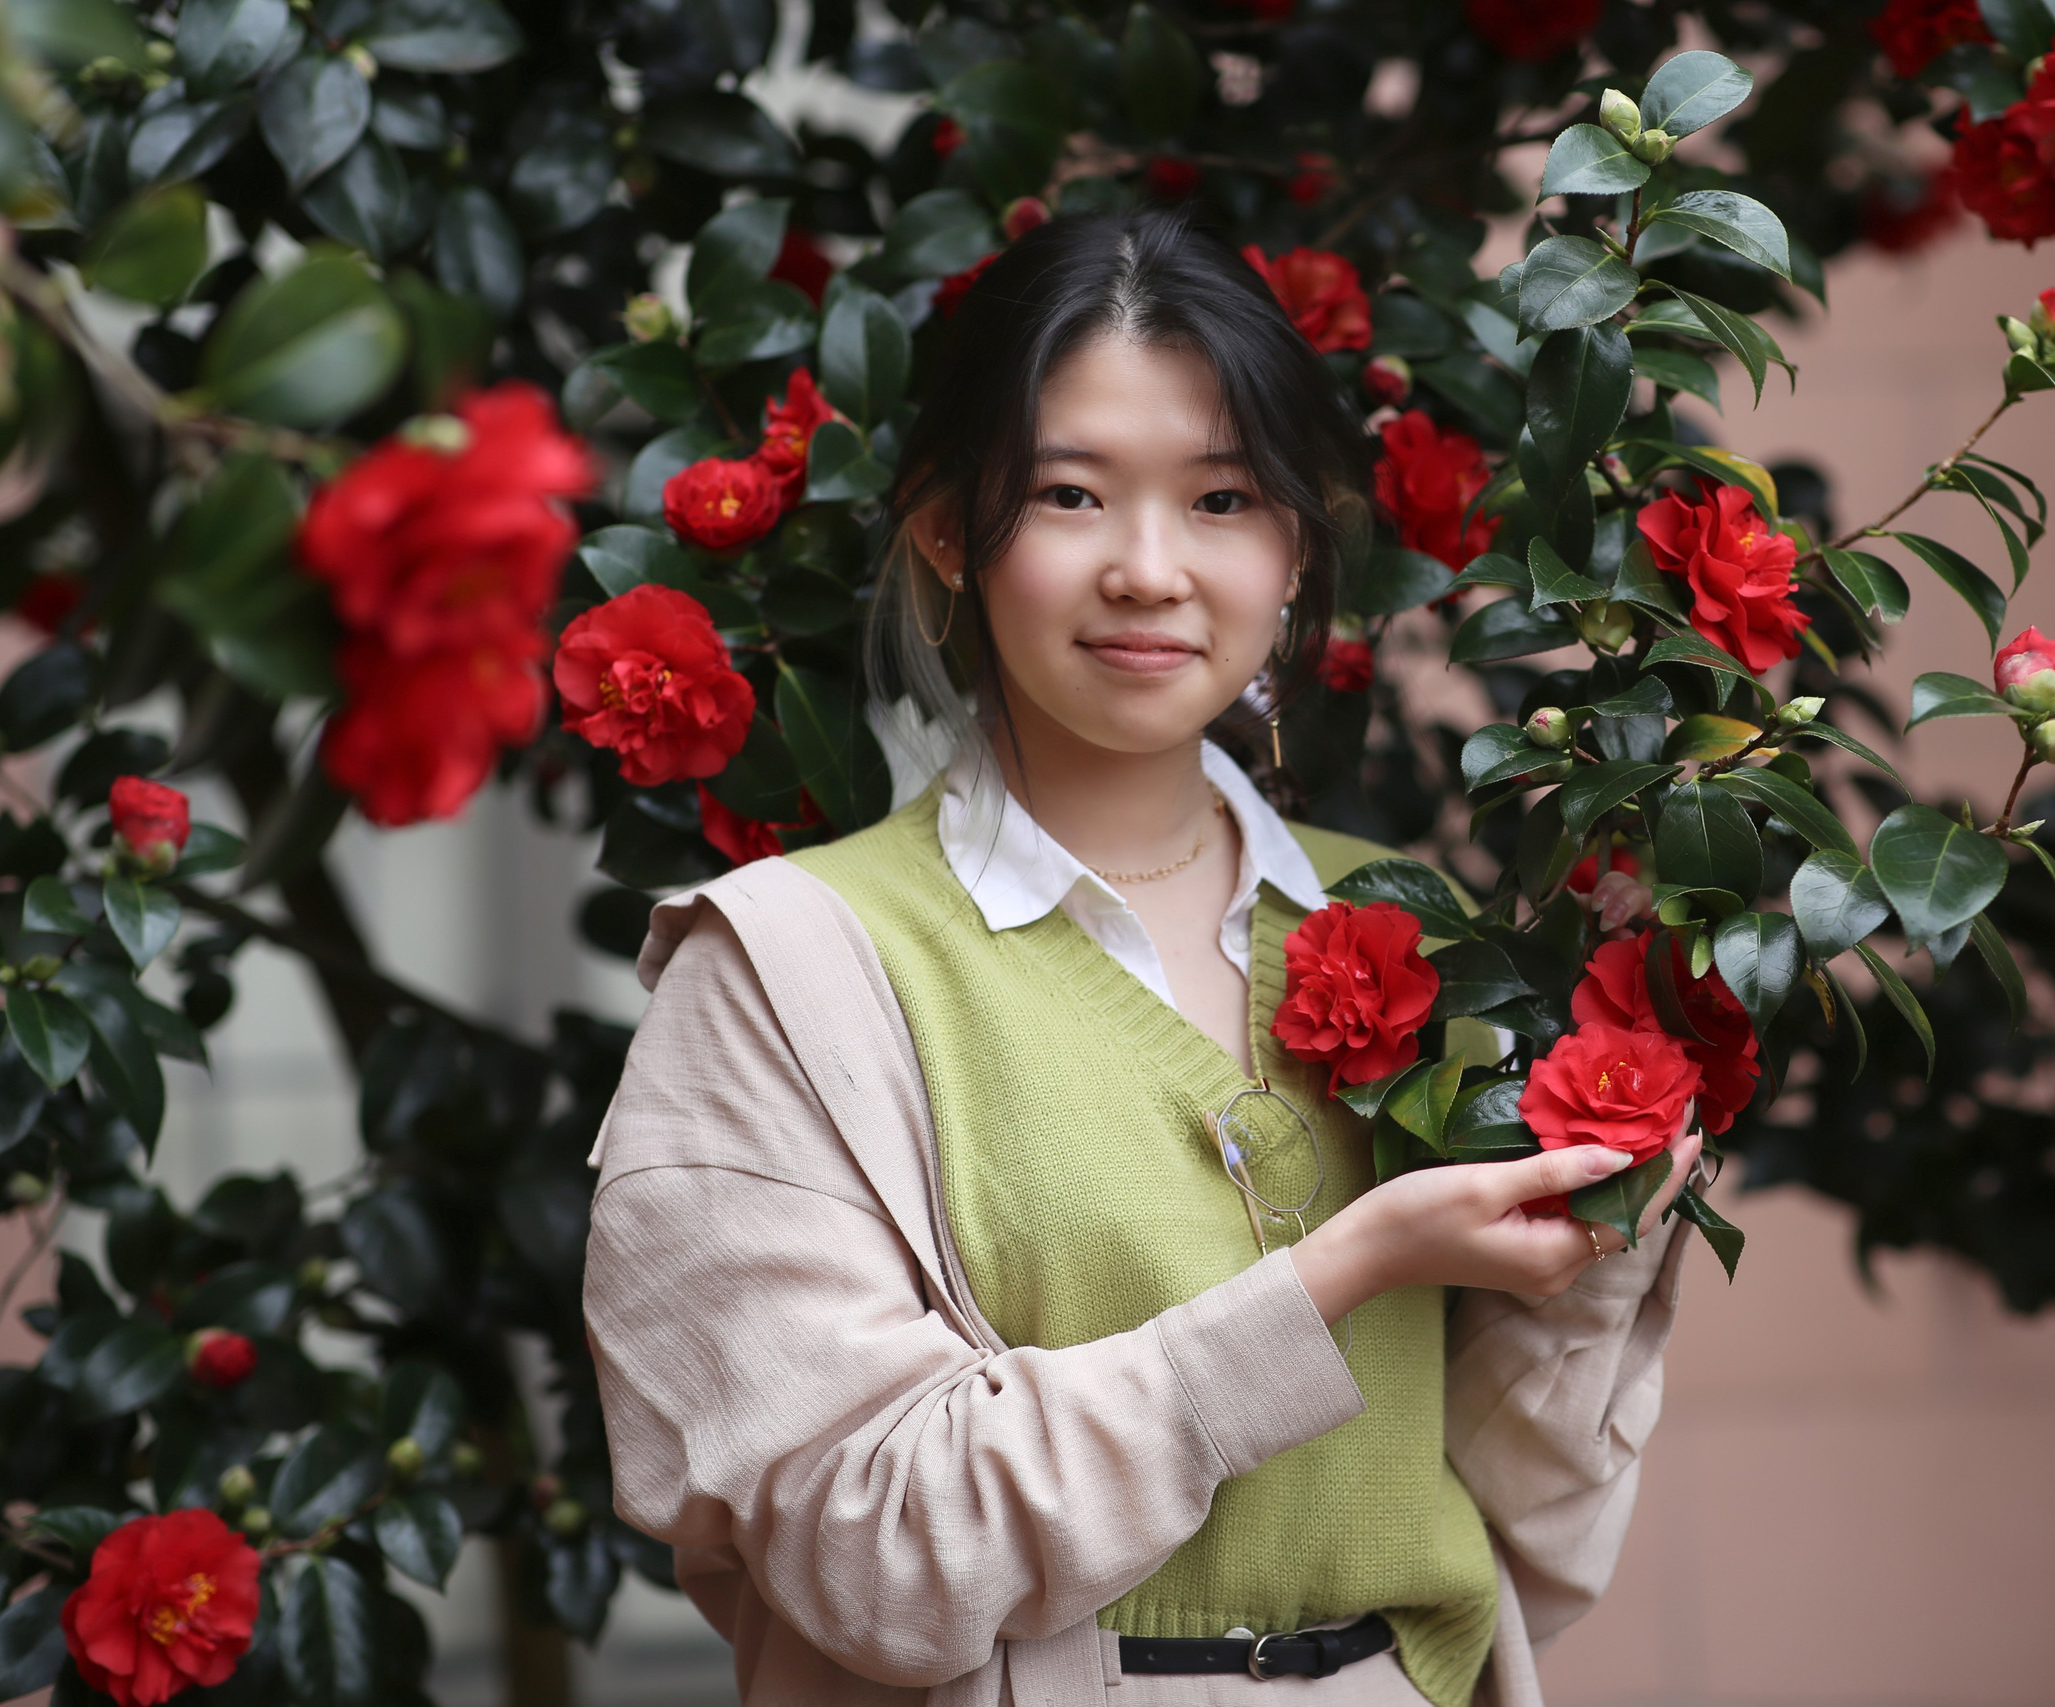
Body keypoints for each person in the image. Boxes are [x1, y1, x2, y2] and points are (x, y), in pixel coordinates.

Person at [582, 208, 1698, 1707]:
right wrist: (1342, 1273)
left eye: (1223, 497)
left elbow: (1527, 1519)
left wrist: (1603, 1243)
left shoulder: (1424, 931)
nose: (1151, 570)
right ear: (942, 530)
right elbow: (873, 1557)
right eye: (1069, 495)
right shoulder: (789, 975)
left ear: (1299, 545)